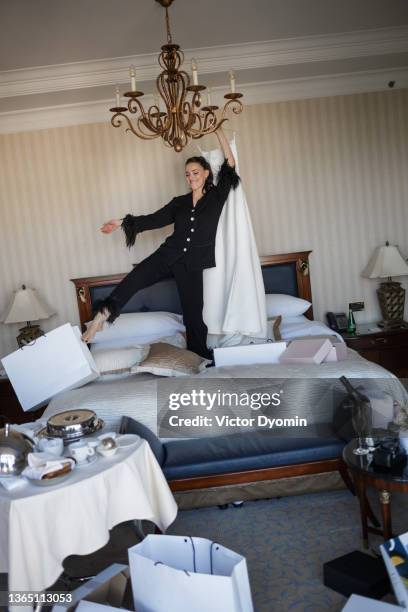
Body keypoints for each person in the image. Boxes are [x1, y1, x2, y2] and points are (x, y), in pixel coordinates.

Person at [81, 127, 240, 359]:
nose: (191, 177)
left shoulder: (216, 197)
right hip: (168, 254)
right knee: (134, 279)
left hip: (192, 264)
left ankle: (200, 357)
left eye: (195, 172)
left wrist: (219, 132)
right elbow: (154, 219)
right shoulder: (179, 203)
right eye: (187, 174)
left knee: (194, 314)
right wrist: (119, 222)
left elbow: (230, 165)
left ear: (206, 173)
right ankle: (100, 317)